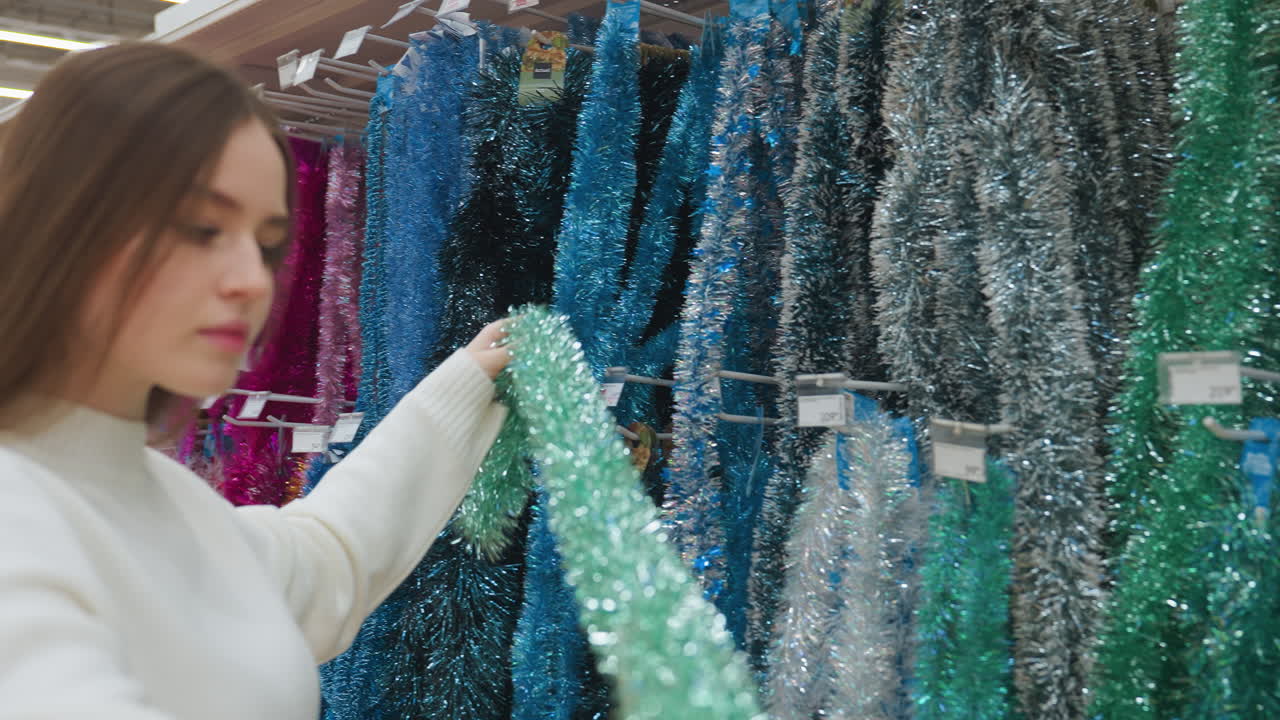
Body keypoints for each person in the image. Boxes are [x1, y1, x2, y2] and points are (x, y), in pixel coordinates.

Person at [0, 43, 511, 718]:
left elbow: (324, 561)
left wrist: (467, 382)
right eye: (201, 228)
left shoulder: (159, 497)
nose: (252, 281)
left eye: (268, 244)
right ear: (63, 224)